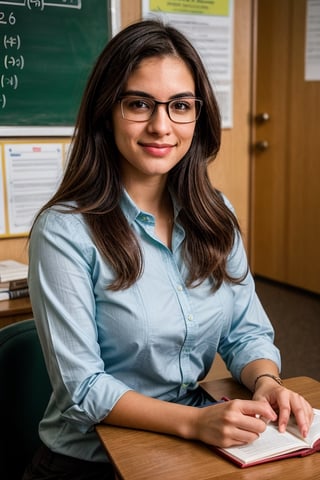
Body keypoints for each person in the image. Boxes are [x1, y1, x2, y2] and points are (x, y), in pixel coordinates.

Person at [23, 18, 313, 480]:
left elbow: (244, 330)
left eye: (180, 105)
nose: (161, 126)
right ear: (106, 111)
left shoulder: (215, 213)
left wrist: (265, 381)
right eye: (139, 104)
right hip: (88, 461)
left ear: (198, 115)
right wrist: (196, 422)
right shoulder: (63, 232)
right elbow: (84, 388)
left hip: (188, 448)